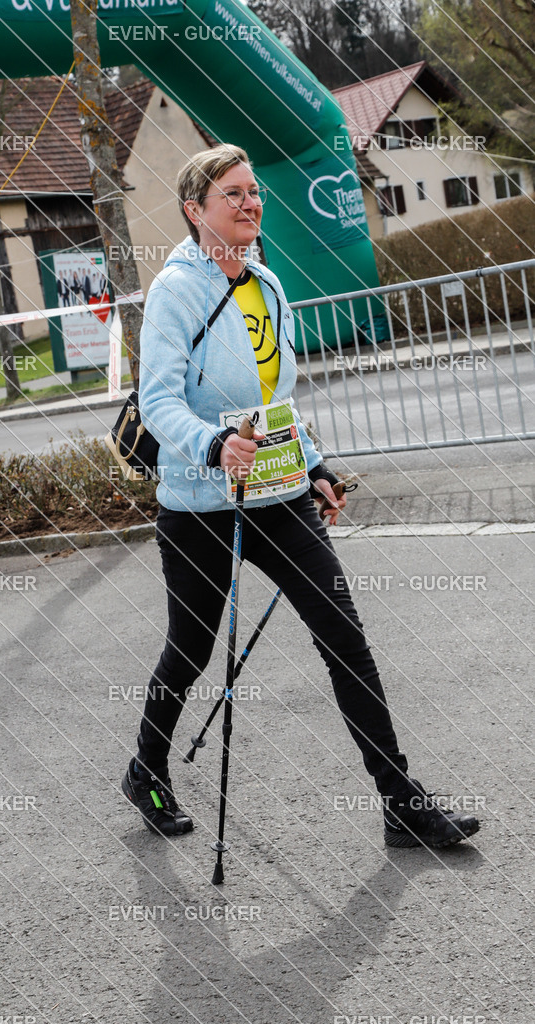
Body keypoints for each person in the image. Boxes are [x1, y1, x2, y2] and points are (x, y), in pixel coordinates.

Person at [121, 144, 480, 850]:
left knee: (345, 639)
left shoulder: (268, 284)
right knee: (189, 651)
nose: (252, 203)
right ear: (196, 211)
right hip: (200, 509)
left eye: (255, 191)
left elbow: (275, 401)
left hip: (279, 498)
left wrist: (317, 466)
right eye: (234, 193)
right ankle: (145, 768)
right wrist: (210, 446)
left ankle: (400, 802)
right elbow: (158, 401)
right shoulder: (175, 291)